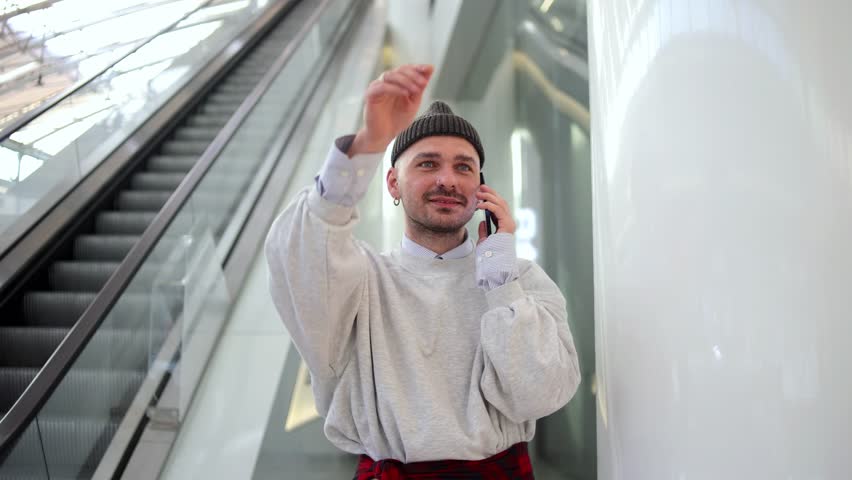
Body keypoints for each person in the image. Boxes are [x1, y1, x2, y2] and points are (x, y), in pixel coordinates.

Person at [265, 63, 580, 479]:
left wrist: (498, 276)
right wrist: (369, 142)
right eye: (428, 164)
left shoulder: (522, 280)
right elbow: (296, 252)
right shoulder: (360, 280)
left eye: (464, 167)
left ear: (481, 187)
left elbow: (540, 394)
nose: (448, 180)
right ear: (393, 183)